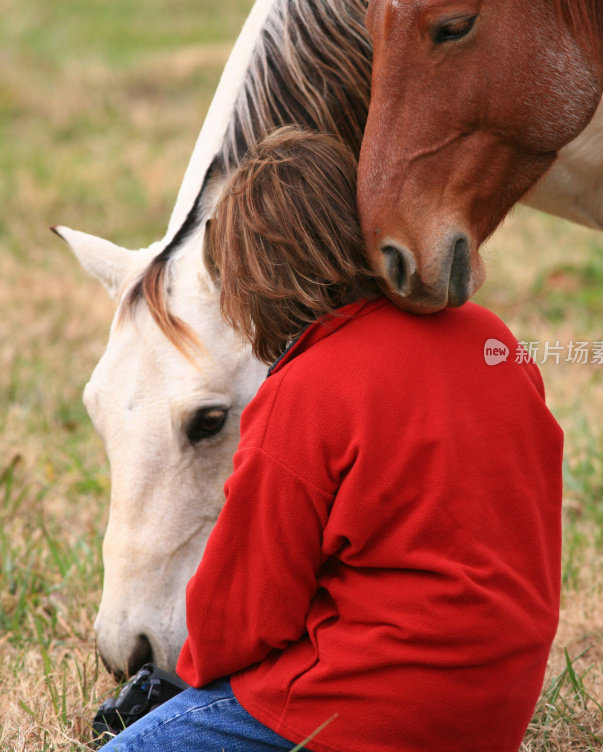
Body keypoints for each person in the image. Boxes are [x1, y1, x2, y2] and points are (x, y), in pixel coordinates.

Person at [100, 126, 563, 752]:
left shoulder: (303, 391)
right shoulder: (493, 339)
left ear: (253, 278)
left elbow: (244, 615)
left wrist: (183, 681)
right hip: (497, 708)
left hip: (367, 715)